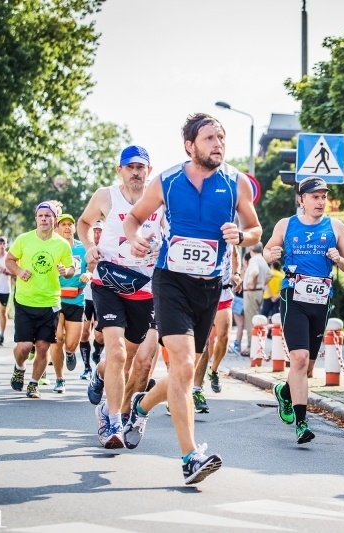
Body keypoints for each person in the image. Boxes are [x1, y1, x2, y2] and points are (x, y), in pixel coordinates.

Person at [120, 113, 262, 484]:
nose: (218, 144)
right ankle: (190, 458)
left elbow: (255, 229)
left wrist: (241, 236)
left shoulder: (236, 182)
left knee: (182, 372)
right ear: (190, 146)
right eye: (210, 138)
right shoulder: (166, 181)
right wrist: (134, 238)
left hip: (209, 287)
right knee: (183, 365)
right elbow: (133, 219)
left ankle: (141, 406)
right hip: (171, 282)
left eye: (221, 137)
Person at [78, 145, 164, 449]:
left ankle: (100, 375)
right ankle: (112, 420)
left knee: (131, 358)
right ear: (120, 170)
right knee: (116, 353)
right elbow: (84, 223)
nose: (136, 172)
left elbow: (173, 233)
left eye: (141, 167)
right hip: (109, 281)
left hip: (145, 288)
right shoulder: (106, 196)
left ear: (149, 171)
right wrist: (90, 247)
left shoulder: (161, 199)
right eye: (130, 167)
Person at [263, 176, 344, 444]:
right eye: (315, 197)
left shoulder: (335, 226)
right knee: (300, 359)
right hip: (293, 296)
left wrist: (339, 259)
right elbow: (267, 250)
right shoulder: (286, 225)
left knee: (307, 367)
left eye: (323, 196)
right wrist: (271, 255)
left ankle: (284, 392)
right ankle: (302, 424)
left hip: (320, 299)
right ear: (301, 199)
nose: (321, 201)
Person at [6, 202, 75, 398]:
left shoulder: (62, 244)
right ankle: (19, 367)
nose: (44, 218)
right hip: (25, 301)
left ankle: (34, 384)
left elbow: (71, 269)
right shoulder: (24, 239)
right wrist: (19, 271)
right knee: (25, 347)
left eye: (48, 215)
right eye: (41, 215)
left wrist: (66, 271)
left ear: (54, 219)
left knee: (43, 347)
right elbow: (9, 260)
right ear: (36, 218)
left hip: (50, 303)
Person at [192, 244, 242, 411]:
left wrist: (236, 274)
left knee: (224, 337)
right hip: (202, 292)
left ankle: (213, 371)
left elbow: (235, 254)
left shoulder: (229, 235)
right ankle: (196, 389)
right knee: (203, 341)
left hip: (223, 292)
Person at [48, 213, 89, 393]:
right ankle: (60, 378)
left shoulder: (83, 248)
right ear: (57, 228)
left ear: (74, 227)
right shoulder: (52, 247)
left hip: (76, 300)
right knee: (57, 339)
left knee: (71, 344)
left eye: (69, 224)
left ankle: (71, 353)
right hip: (55, 299)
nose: (66, 227)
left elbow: (93, 267)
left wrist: (88, 274)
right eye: (62, 224)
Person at [79, 220, 104, 380]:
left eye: (100, 231)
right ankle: (87, 367)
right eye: (94, 231)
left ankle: (97, 354)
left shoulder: (108, 248)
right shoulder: (84, 249)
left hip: (102, 297)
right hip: (85, 297)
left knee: (100, 336)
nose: (97, 234)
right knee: (84, 333)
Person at [243, 243, 271, 347]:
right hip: (259, 291)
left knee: (251, 320)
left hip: (252, 292)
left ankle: (251, 346)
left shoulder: (254, 260)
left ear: (250, 248)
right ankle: (257, 344)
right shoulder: (262, 260)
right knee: (257, 318)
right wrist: (262, 283)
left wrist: (253, 284)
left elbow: (255, 272)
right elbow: (270, 274)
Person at [231, 253, 248, 355]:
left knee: (239, 325)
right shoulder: (249, 271)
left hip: (238, 300)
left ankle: (237, 345)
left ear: (245, 261)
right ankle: (240, 345)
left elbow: (231, 280)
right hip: (247, 299)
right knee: (243, 325)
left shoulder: (241, 272)